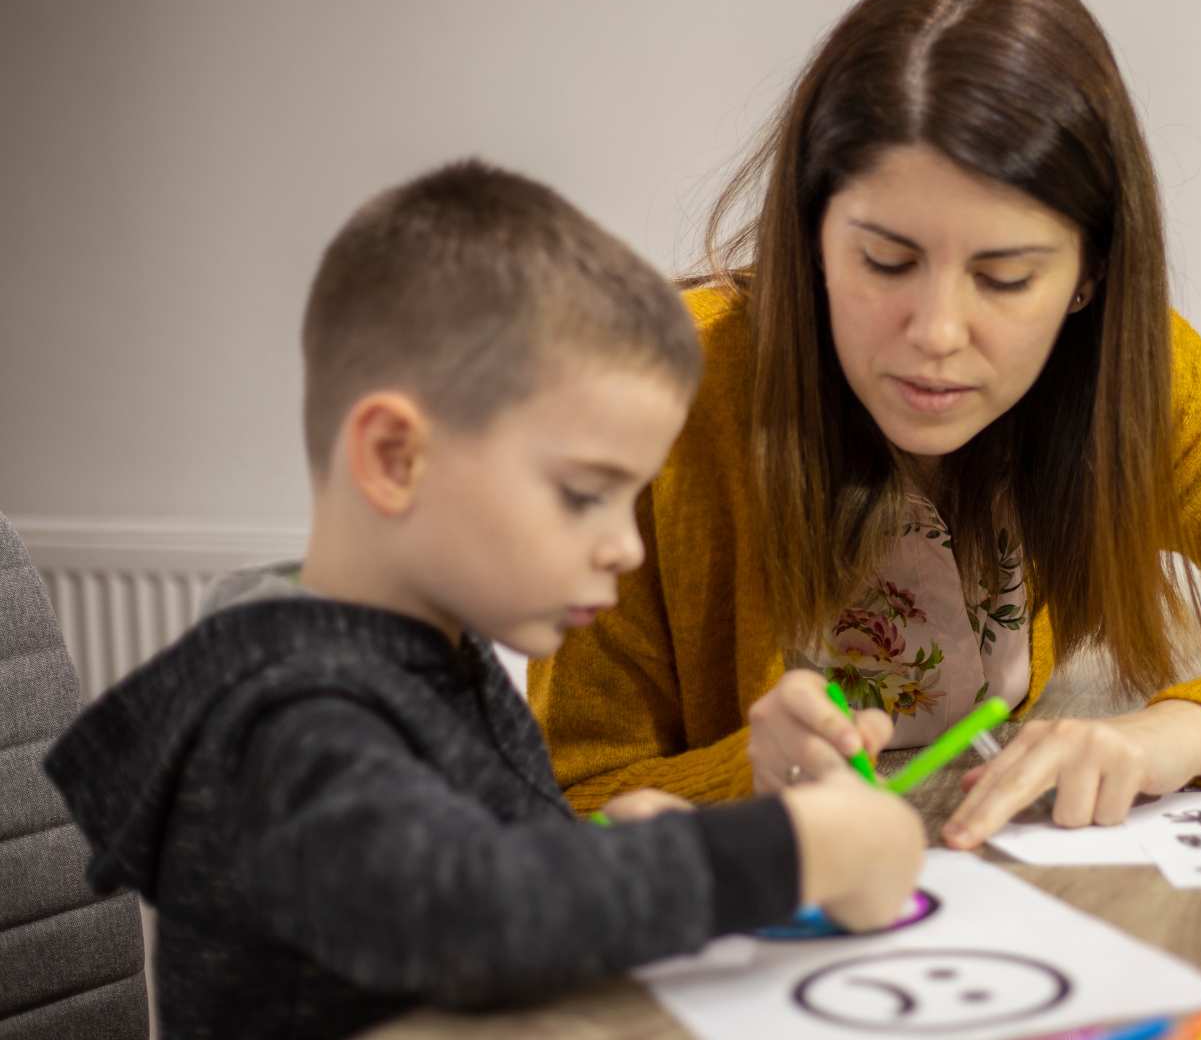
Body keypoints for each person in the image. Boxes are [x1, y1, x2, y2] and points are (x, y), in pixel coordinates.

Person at [532, 0, 1201, 852]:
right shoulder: (662, 395)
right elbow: (563, 804)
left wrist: (1173, 736)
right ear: (811, 237)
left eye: (1006, 277)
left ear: (1088, 278)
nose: (938, 331)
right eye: (886, 263)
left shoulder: (1135, 380)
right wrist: (753, 777)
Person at [43, 160, 925, 1039]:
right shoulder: (289, 716)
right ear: (396, 459)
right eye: (586, 493)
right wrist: (802, 849)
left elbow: (484, 861)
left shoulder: (432, 661)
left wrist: (613, 846)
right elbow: (475, 909)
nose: (627, 545)